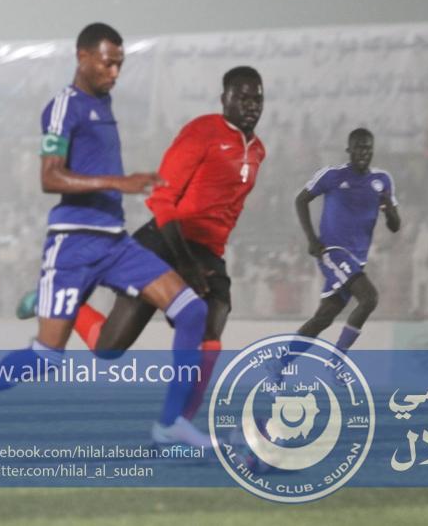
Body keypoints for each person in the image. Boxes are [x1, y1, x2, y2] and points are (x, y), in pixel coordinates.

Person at [0, 23, 209, 450]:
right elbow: (50, 177)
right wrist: (116, 182)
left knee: (191, 311)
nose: (115, 72)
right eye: (107, 63)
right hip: (73, 245)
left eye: (120, 64)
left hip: (115, 242)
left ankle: (169, 423)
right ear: (82, 57)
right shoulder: (64, 106)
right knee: (46, 357)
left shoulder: (104, 102)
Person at [18, 66, 265, 423]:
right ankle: (50, 300)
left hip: (207, 254)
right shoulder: (201, 132)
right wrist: (185, 263)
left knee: (210, 339)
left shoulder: (258, 150)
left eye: (257, 98)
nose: (251, 105)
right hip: (163, 242)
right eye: (241, 97)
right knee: (108, 348)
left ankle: (175, 428)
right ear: (223, 99)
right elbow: (161, 199)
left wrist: (207, 257)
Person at [293, 128, 400, 352]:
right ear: (348, 150)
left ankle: (279, 363)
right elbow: (301, 200)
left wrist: (390, 210)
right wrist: (312, 239)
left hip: (357, 260)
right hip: (332, 251)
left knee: (324, 317)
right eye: (359, 148)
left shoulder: (382, 181)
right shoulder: (332, 176)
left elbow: (394, 226)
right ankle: (337, 359)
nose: (364, 152)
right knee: (369, 298)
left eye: (368, 148)